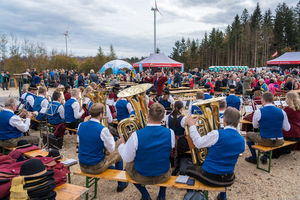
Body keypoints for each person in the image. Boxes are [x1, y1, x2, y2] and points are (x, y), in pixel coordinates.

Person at [185, 107, 245, 200]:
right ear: (238, 122)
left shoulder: (216, 134)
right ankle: (222, 197)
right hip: (228, 177)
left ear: (224, 120)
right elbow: (235, 151)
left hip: (210, 176)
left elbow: (199, 143)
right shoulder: (242, 140)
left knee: (188, 168)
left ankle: (196, 195)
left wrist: (192, 126)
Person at [118, 103, 175, 200]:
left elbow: (128, 158)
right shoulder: (170, 132)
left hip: (141, 175)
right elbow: (171, 147)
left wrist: (123, 144)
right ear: (162, 117)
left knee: (128, 166)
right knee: (167, 162)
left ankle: (145, 195)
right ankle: (162, 195)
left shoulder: (136, 135)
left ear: (148, 116)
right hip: (163, 174)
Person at [78, 103, 128, 192]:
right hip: (96, 166)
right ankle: (121, 183)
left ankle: (119, 175)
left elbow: (79, 141)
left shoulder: (81, 125)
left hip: (82, 164)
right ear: (101, 114)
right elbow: (111, 149)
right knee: (119, 154)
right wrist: (114, 139)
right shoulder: (102, 129)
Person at [245, 92, 291, 164]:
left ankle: (254, 158)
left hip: (265, 140)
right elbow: (287, 128)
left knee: (248, 135)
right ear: (272, 100)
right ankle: (265, 156)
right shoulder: (282, 111)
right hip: (279, 141)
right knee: (267, 136)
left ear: (262, 100)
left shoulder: (258, 112)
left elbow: (255, 126)